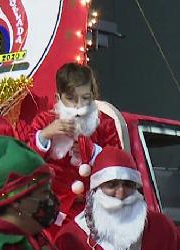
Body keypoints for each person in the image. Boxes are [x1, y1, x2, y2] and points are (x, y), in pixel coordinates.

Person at [23, 63, 122, 232]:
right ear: (57, 98)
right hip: (52, 215)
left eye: (85, 98)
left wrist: (95, 153)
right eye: (71, 99)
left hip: (95, 215)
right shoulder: (44, 122)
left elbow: (119, 166)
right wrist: (44, 135)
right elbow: (24, 163)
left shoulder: (105, 124)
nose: (79, 106)